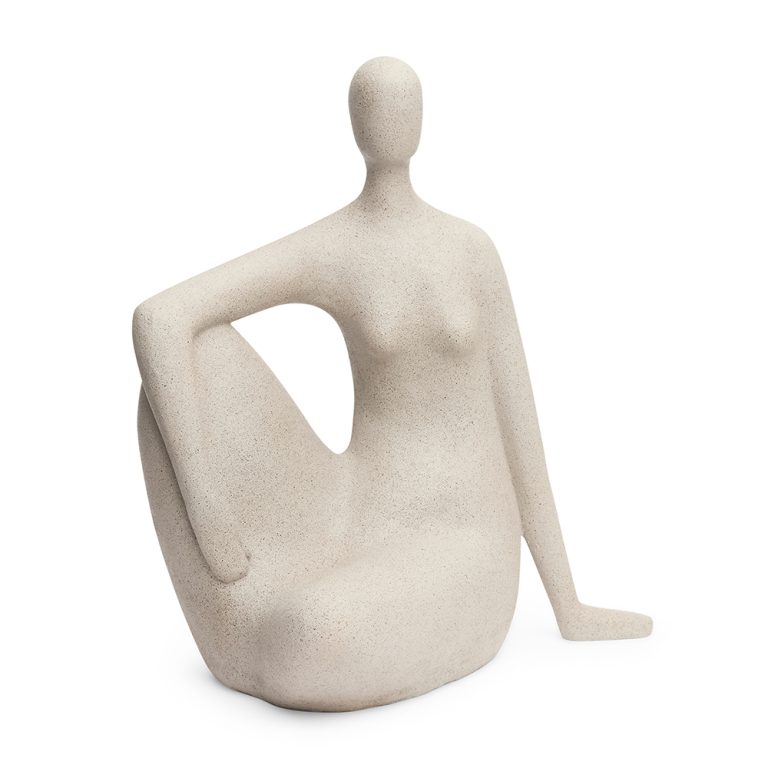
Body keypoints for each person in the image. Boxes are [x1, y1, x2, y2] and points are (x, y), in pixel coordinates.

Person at [133, 57, 651, 712]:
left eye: (402, 103)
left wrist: (567, 600)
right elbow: (161, 318)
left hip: (459, 537)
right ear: (354, 123)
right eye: (375, 105)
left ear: (423, 118)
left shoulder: (468, 250)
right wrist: (206, 508)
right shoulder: (337, 245)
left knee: (312, 634)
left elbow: (520, 425)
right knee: (191, 365)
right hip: (352, 506)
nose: (390, 119)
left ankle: (282, 643)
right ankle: (253, 638)